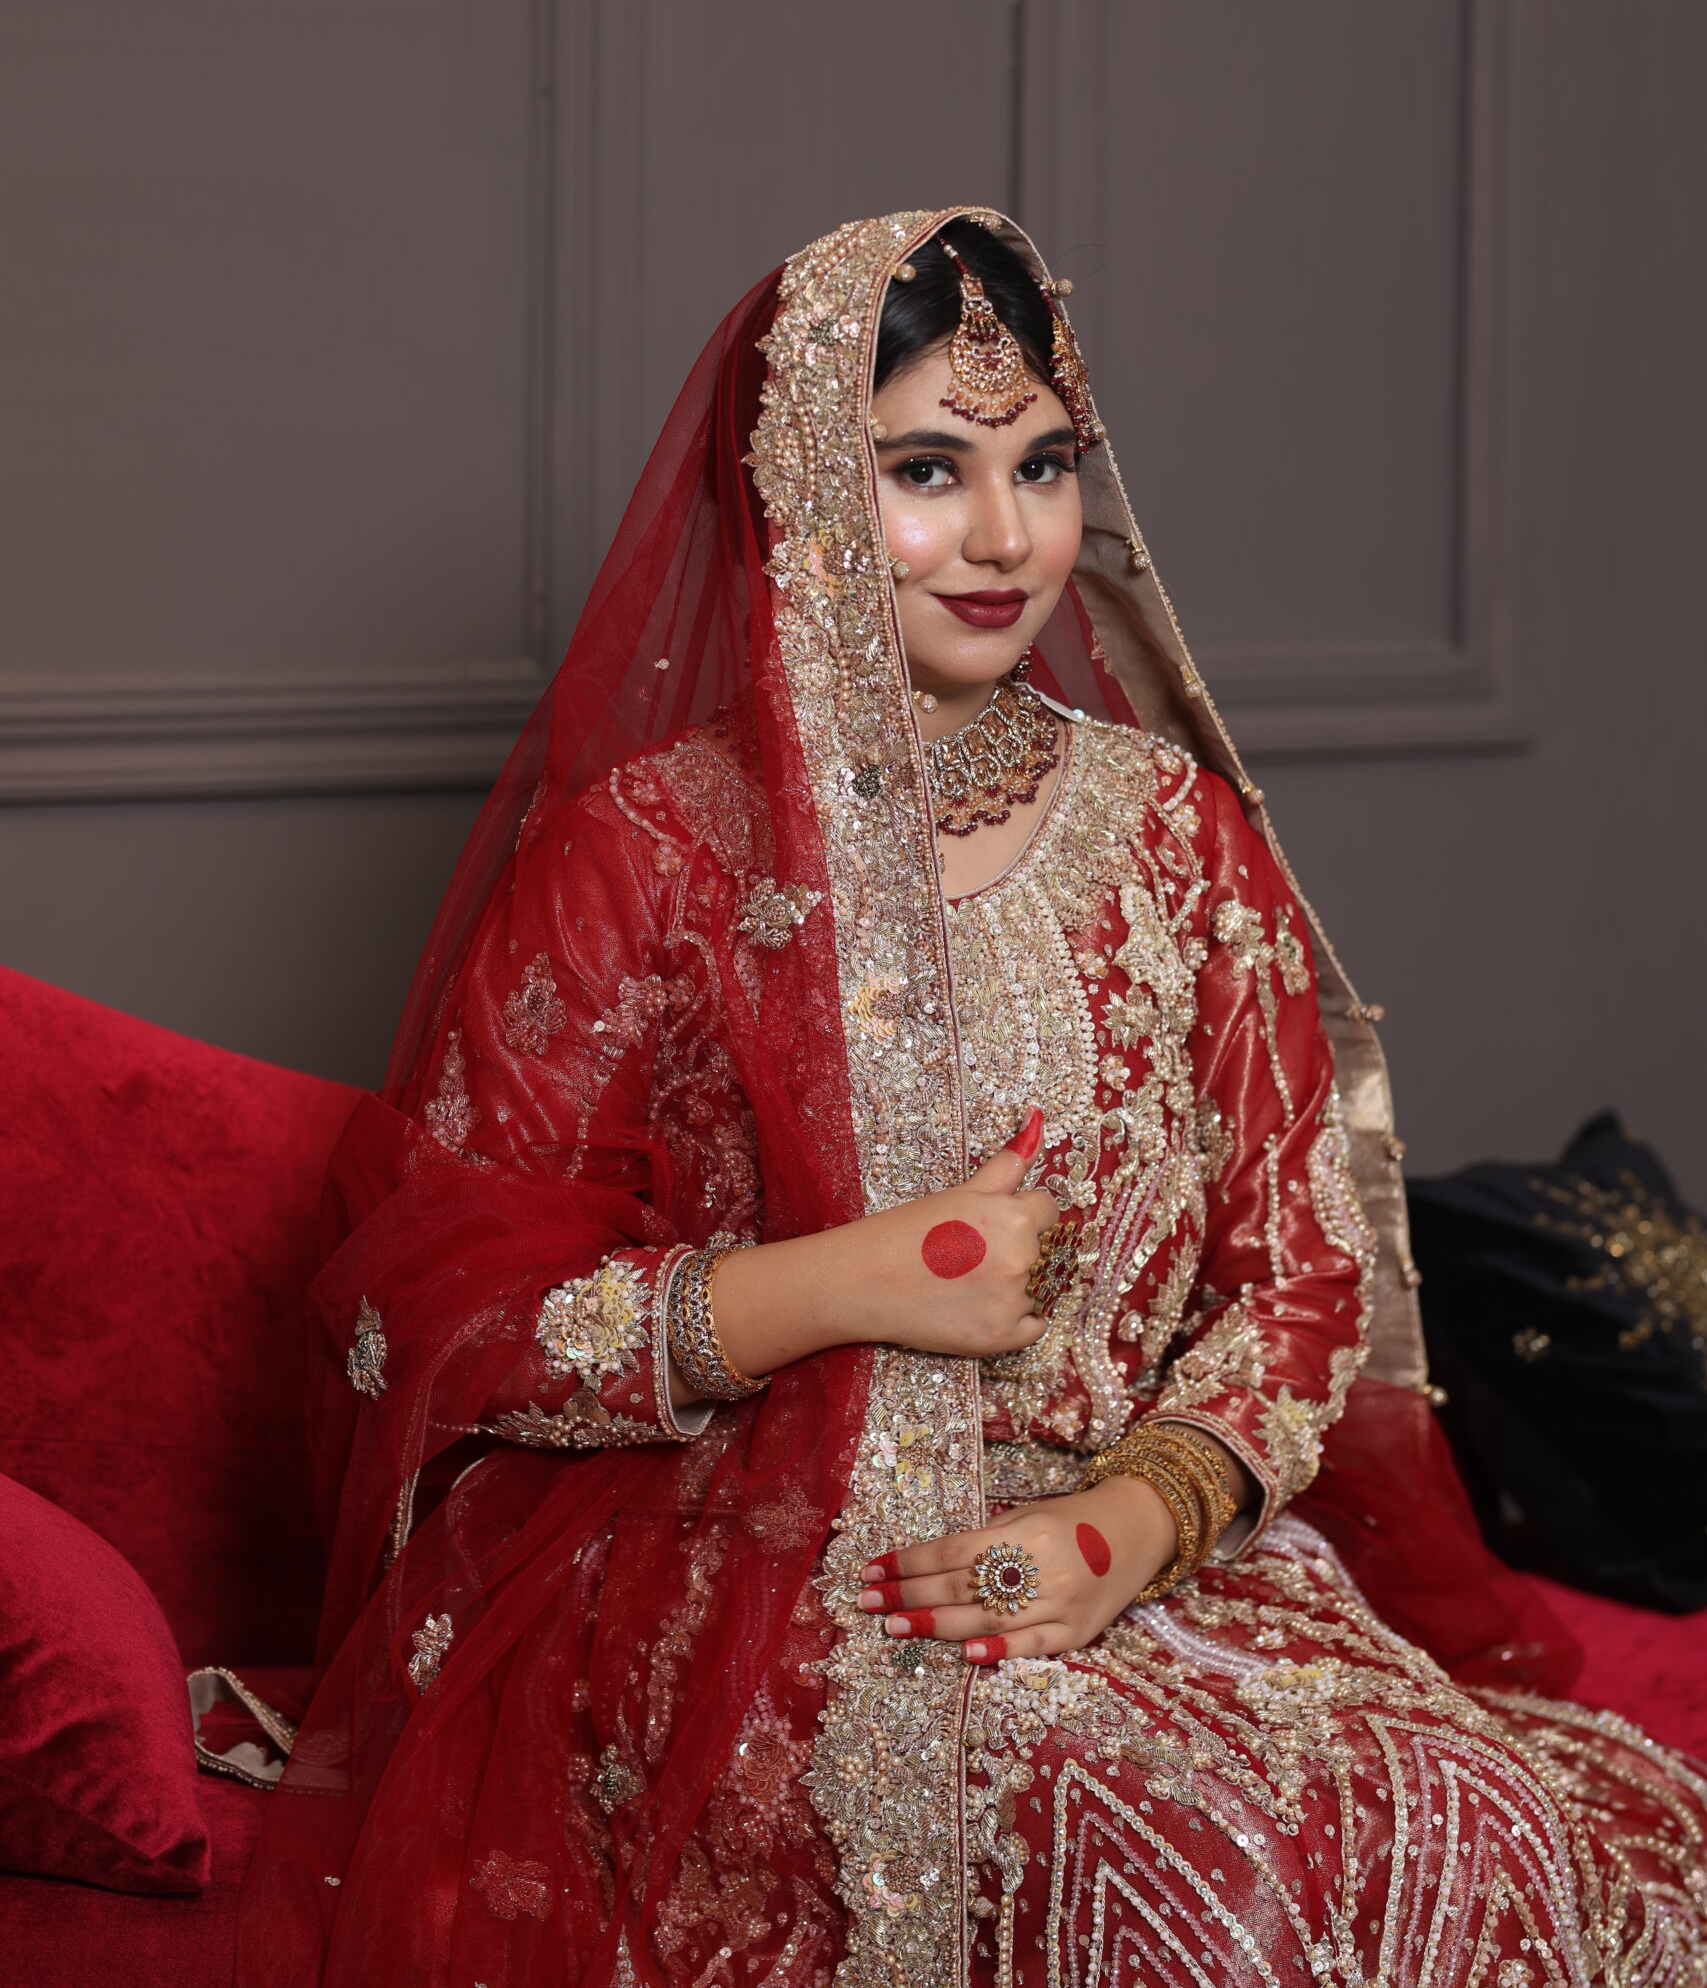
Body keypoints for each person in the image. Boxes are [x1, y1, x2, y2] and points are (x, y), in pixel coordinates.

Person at [239, 210, 1706, 1988]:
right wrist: (856, 1279)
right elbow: (448, 1325)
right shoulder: (647, 852)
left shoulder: (1173, 833)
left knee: (1477, 1832)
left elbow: (1301, 1278)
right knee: (1185, 1871)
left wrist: (1123, 1525)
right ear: (797, 488)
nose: (1006, 538)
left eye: (1044, 467)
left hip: (1138, 1549)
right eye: (926, 470)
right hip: (766, 1582)